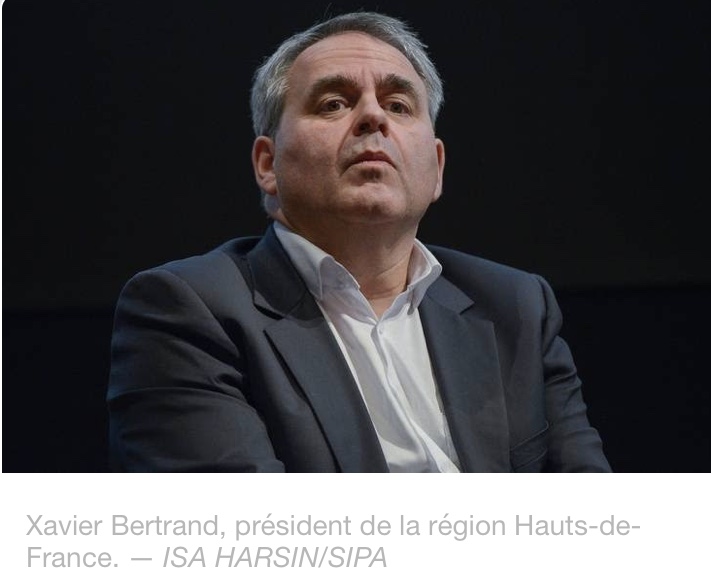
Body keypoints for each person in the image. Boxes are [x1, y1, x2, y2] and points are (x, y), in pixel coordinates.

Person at [106, 11, 611, 473]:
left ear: (437, 167)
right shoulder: (189, 310)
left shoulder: (516, 306)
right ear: (268, 164)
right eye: (334, 104)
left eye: (398, 105)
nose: (374, 117)